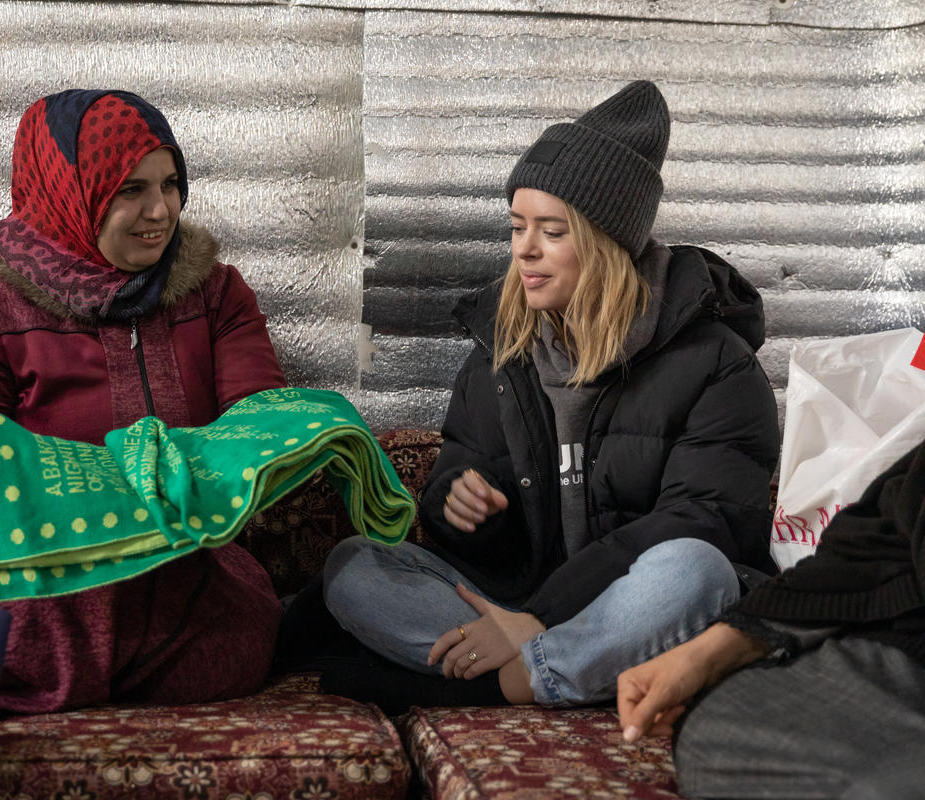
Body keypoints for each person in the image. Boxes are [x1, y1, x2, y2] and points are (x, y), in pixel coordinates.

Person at [318, 80, 780, 712]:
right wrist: (465, 507)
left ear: (606, 242)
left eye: (551, 231)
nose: (524, 250)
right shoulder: (502, 353)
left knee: (694, 571)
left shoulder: (716, 365)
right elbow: (459, 473)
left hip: (615, 606)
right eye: (517, 226)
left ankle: (501, 685)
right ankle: (560, 670)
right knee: (355, 564)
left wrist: (539, 618)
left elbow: (704, 521)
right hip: (517, 607)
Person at [0, 89, 287, 714]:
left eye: (171, 183)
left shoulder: (216, 295)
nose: (161, 210)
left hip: (186, 576)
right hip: (48, 572)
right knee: (32, 619)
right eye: (130, 190)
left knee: (238, 627)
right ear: (68, 192)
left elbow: (258, 427)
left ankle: (40, 682)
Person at [618, 438, 925, 800]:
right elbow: (874, 545)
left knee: (694, 567)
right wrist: (718, 648)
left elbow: (704, 509)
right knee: (718, 727)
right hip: (906, 646)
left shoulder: (725, 382)